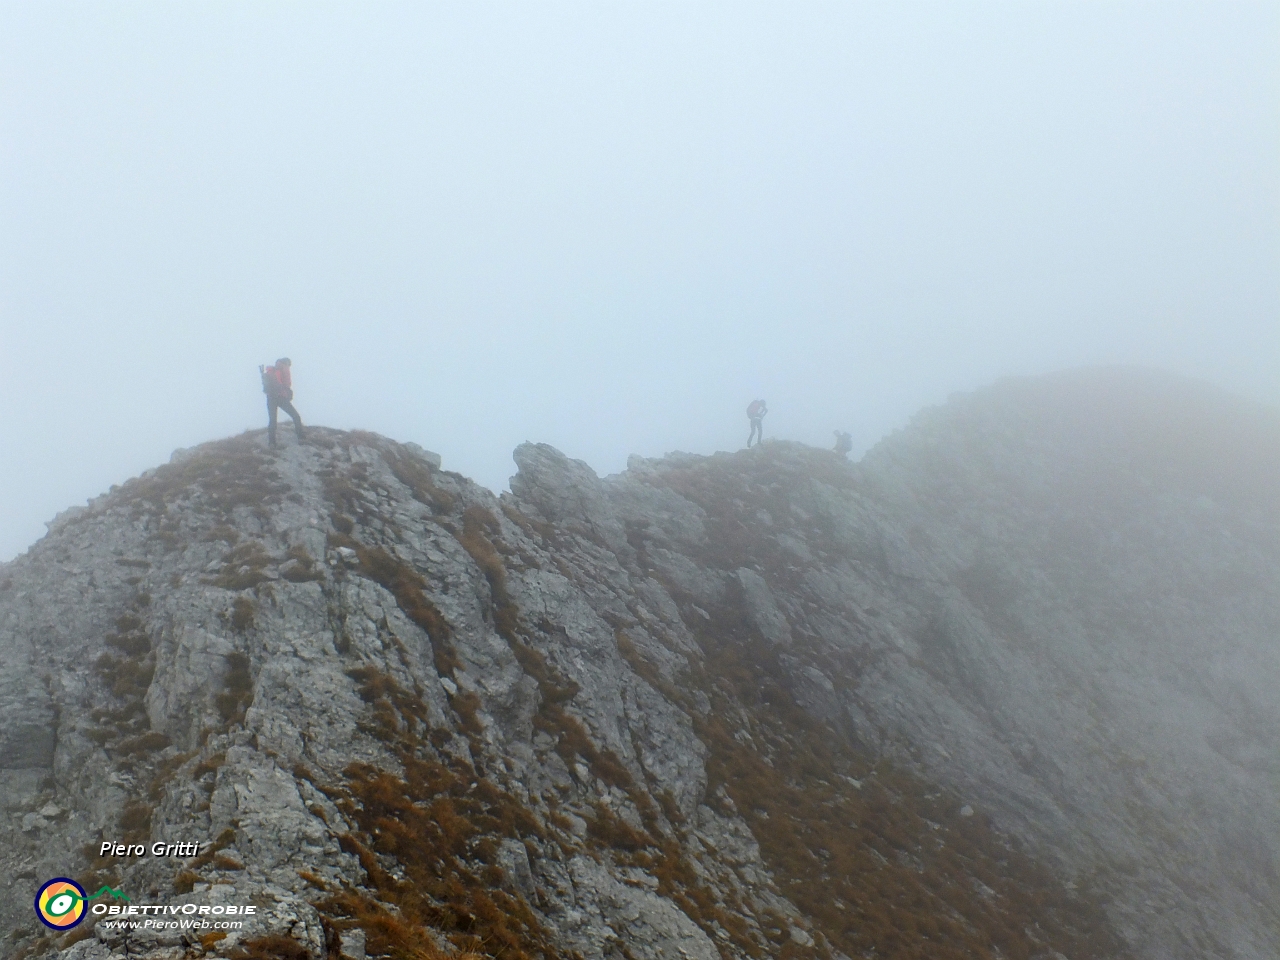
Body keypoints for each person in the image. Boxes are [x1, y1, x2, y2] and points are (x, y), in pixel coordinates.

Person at [261, 358, 304, 447]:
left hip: (270, 398)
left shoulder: (271, 370)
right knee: (296, 416)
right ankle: (301, 437)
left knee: (272, 420)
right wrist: (287, 394)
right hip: (281, 397)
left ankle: (272, 442)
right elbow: (286, 384)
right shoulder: (284, 367)